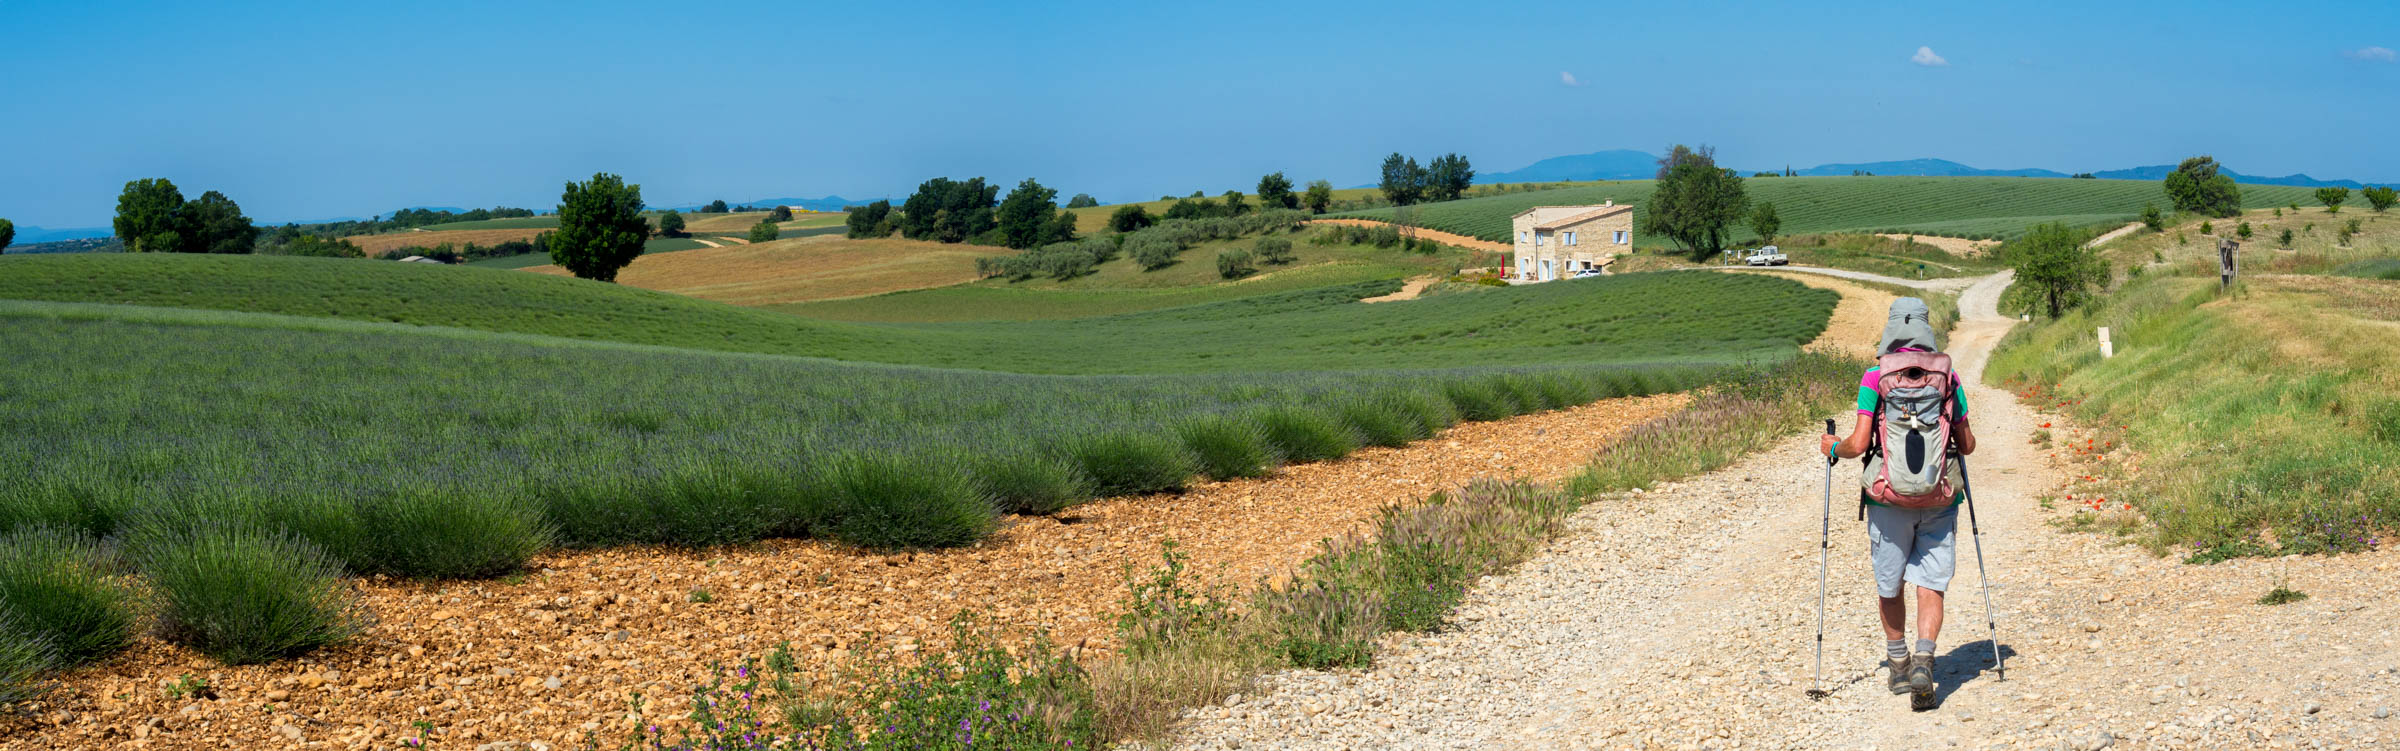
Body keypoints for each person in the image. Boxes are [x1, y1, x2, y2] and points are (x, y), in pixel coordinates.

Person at [1819, 297, 1976, 697]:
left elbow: (1857, 442)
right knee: (1931, 583)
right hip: (1939, 497)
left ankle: (1899, 664)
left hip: (1888, 499)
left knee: (1890, 586)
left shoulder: (1875, 377)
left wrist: (1832, 448)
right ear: (1927, 330)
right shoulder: (1948, 378)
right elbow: (1968, 444)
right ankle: (1926, 659)